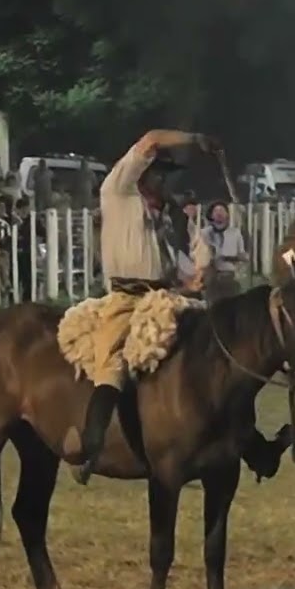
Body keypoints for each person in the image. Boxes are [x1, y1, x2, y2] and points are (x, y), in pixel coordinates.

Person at [72, 129, 217, 485]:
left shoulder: (169, 214)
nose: (163, 181)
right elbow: (151, 139)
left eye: (166, 175)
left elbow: (192, 252)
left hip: (164, 297)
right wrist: (193, 139)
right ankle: (90, 447)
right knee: (111, 364)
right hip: (125, 300)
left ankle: (241, 440)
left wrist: (197, 276)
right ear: (143, 172)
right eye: (158, 173)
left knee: (214, 348)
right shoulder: (118, 191)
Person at [202, 201, 245, 302]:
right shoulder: (204, 233)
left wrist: (230, 258)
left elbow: (242, 255)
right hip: (211, 277)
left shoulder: (235, 233)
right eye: (216, 211)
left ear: (227, 215)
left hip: (229, 276)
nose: (219, 213)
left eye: (222, 210)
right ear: (211, 215)